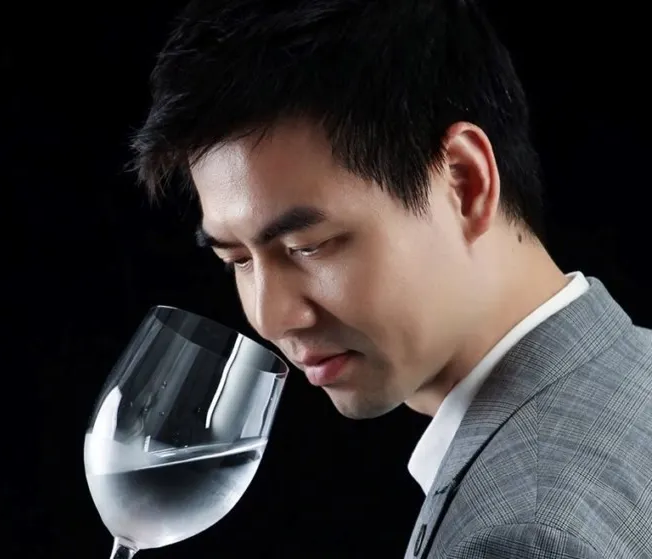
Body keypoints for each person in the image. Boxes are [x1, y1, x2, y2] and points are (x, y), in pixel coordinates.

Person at [128, 1, 652, 557]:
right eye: (237, 259)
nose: (270, 317)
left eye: (309, 246)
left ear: (464, 182)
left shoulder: (520, 534)